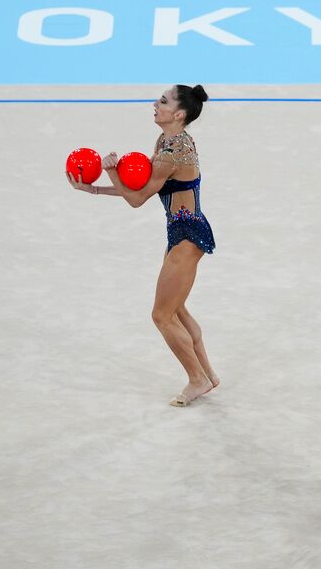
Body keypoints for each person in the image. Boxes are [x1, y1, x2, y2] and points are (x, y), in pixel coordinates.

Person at [67, 84, 220, 406]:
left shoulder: (172, 152)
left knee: (162, 315)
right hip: (182, 231)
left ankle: (196, 379)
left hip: (187, 234)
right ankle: (208, 374)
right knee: (175, 309)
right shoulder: (169, 140)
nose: (155, 103)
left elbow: (136, 199)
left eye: (162, 102)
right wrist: (95, 189)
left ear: (178, 114)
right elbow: (142, 187)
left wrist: (109, 172)